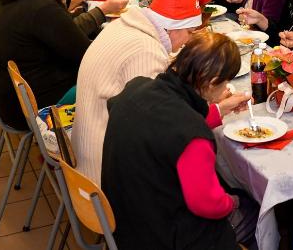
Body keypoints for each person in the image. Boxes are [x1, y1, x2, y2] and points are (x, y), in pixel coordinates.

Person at [102, 32, 249, 249]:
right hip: (162, 236)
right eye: (225, 81)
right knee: (252, 212)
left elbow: (164, 125)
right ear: (212, 83)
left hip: (124, 220)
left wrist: (219, 111)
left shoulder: (136, 88)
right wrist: (231, 202)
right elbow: (206, 204)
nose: (226, 87)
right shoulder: (193, 137)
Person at [75, 0, 218, 185]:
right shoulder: (146, 51)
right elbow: (160, 127)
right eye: (190, 33)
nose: (188, 41)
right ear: (173, 27)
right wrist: (212, 110)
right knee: (197, 165)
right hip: (105, 172)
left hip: (89, 147)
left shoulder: (126, 25)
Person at [0, 0, 90, 131]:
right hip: (32, 108)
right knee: (106, 80)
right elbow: (87, 55)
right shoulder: (42, 9)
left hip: (10, 98)